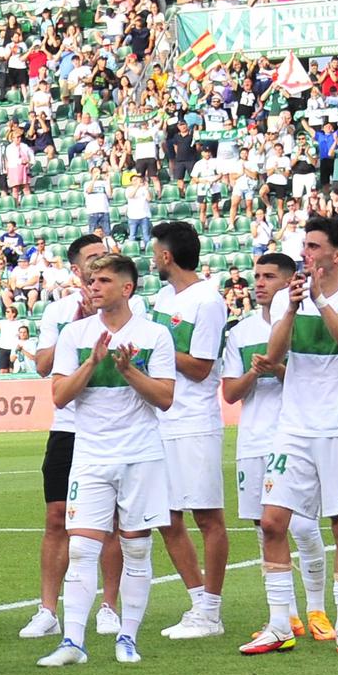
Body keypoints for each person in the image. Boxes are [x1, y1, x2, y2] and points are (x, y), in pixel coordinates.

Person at [247, 217, 338, 657]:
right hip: (295, 428)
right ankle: (278, 624)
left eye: (312, 246)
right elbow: (272, 356)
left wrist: (321, 300)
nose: (304, 253)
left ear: (337, 255)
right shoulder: (296, 300)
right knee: (271, 522)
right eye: (303, 245)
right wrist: (289, 308)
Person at [38, 253, 176, 667]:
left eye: (102, 281)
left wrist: (130, 370)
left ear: (126, 288)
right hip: (91, 454)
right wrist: (93, 362)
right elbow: (60, 396)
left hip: (140, 455)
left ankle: (128, 637)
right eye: (91, 280)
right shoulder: (75, 334)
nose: (93, 286)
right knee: (81, 547)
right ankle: (73, 642)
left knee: (136, 548)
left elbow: (165, 399)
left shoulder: (155, 335)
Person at [221, 254, 331, 642]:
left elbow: (315, 383)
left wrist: (279, 368)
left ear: (289, 283)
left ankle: (318, 608)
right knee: (264, 529)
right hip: (253, 441)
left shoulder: (305, 324)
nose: (260, 283)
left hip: (295, 437)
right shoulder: (240, 332)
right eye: (257, 277)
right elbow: (231, 393)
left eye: (269, 277)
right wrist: (255, 370)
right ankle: (286, 616)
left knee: (302, 525)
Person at [24, 235, 123, 640]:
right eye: (91, 260)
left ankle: (109, 606)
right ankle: (48, 610)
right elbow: (43, 367)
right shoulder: (59, 311)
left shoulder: (126, 310)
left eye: (104, 258)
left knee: (112, 523)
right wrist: (78, 322)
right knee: (55, 518)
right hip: (67, 428)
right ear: (77, 269)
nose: (99, 264)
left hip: (112, 428)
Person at [148, 221, 231, 641]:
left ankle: (212, 609)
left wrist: (158, 346)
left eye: (155, 251)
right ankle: (198, 602)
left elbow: (200, 367)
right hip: (160, 420)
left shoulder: (208, 301)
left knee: (207, 516)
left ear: (167, 256)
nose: (152, 258)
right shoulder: (164, 296)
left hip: (194, 421)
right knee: (167, 517)